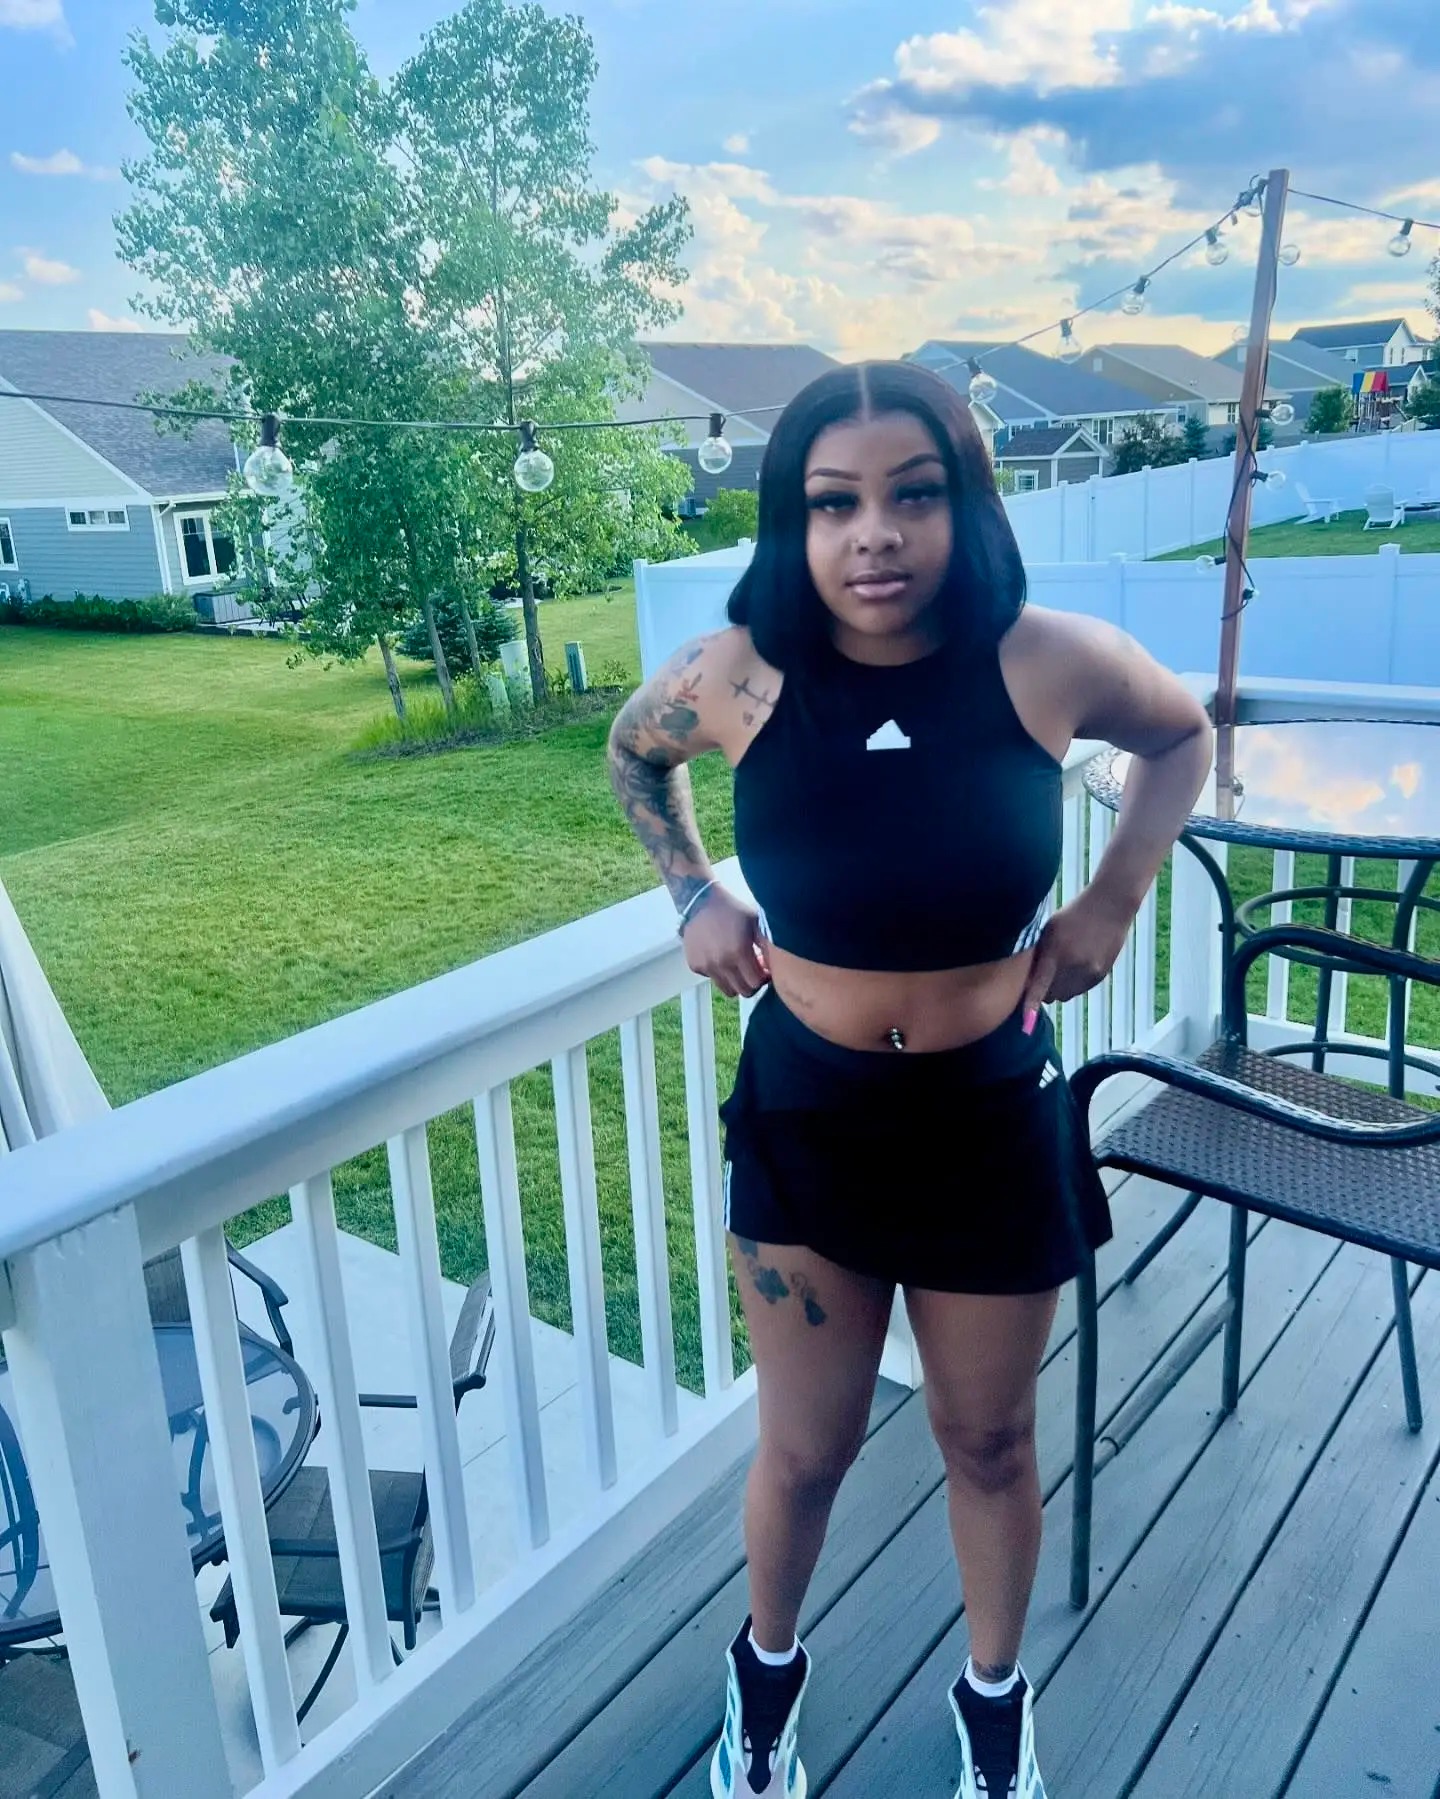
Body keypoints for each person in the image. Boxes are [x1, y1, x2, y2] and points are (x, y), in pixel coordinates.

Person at [607, 360, 1212, 1799]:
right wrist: (691, 893)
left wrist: (1114, 899)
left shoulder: (1044, 659)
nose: (874, 533)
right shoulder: (740, 674)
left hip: (990, 1120)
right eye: (835, 503)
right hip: (808, 1117)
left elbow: (1182, 735)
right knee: (805, 1450)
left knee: (988, 1439)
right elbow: (633, 756)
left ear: (966, 506)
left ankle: (994, 1706)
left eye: (914, 494)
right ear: (795, 520)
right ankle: (766, 1679)